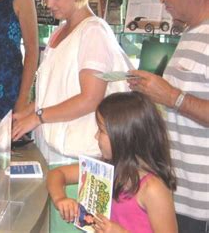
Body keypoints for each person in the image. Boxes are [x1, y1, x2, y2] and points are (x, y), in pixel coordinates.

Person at [12, 0, 131, 232]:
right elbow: (51, 93)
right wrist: (21, 117)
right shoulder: (62, 31)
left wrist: (38, 117)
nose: (47, 4)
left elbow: (90, 98)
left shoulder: (93, 33)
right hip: (55, 155)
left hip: (80, 160)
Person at [127, 0, 209, 233]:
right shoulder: (191, 33)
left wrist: (171, 96)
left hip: (201, 204)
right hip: (178, 194)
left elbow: (180, 100)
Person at [48, 92, 178, 233]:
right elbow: (57, 173)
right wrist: (60, 198)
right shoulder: (107, 168)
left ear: (124, 137)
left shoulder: (153, 189)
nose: (96, 135)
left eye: (102, 130)